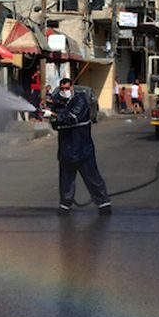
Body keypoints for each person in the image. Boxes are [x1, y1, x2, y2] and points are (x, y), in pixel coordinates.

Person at [43, 78, 111, 216]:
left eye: (66, 88)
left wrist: (54, 115)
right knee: (66, 179)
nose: (64, 91)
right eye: (62, 89)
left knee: (92, 177)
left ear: (72, 88)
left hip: (82, 147)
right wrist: (51, 117)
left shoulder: (80, 100)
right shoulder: (58, 101)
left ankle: (103, 202)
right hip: (66, 149)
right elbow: (57, 125)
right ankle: (65, 205)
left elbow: (73, 116)